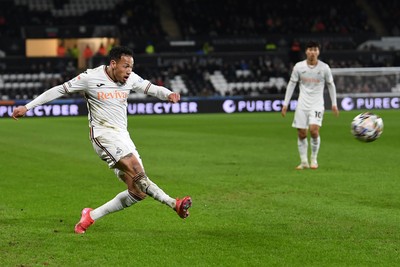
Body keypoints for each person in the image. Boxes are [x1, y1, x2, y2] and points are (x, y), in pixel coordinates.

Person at [12, 46, 192, 234]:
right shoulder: (90, 78)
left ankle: (90, 216)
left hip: (123, 136)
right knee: (137, 172)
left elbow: (150, 87)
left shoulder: (131, 78)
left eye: (131, 66)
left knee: (138, 191)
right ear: (113, 64)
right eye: (125, 66)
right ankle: (174, 204)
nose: (129, 71)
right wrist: (28, 107)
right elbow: (59, 90)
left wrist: (168, 94)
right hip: (103, 136)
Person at [281, 41, 339, 170]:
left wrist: (334, 104)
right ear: (306, 51)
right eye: (310, 49)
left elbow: (331, 85)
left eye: (315, 49)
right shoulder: (299, 67)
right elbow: (291, 84)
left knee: (313, 130)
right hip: (302, 104)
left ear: (318, 52)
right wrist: (285, 104)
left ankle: (314, 159)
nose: (312, 52)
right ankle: (303, 162)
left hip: (317, 104)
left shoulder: (324, 68)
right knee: (301, 133)